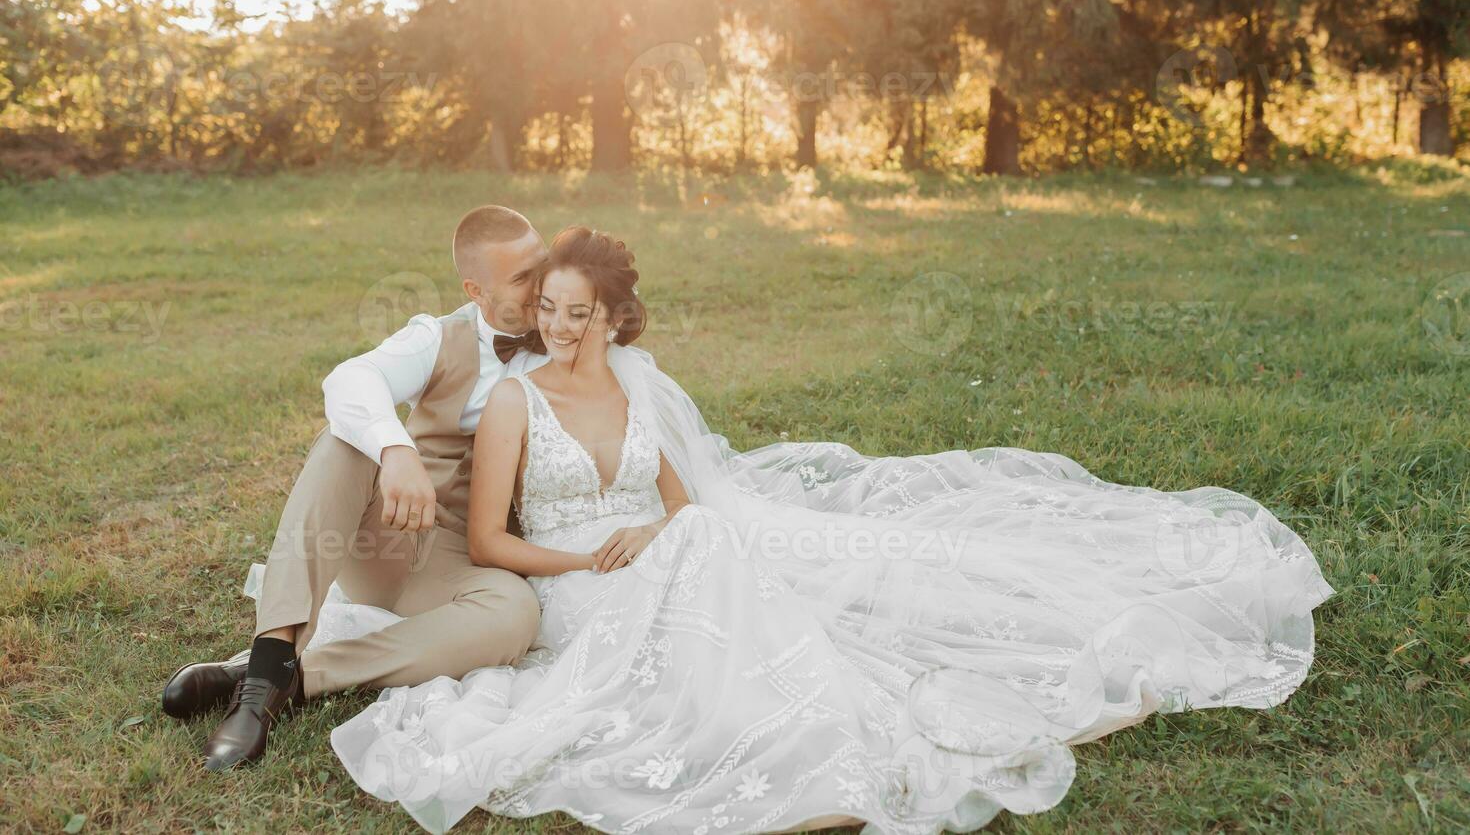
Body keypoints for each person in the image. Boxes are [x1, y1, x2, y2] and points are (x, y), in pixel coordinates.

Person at [304, 225, 1336, 833]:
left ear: (616, 317)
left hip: (669, 555)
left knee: (720, 544)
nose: (563, 328)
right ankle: (794, 731)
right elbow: (490, 541)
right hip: (579, 581)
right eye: (554, 312)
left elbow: (683, 502)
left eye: (583, 312)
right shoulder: (518, 402)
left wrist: (659, 537)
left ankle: (806, 718)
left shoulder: (636, 384)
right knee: (708, 559)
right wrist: (593, 553)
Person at [163, 206, 554, 771]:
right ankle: (273, 654)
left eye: (542, 266)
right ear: (477, 290)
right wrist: (396, 450)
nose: (541, 285)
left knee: (515, 614)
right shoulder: (438, 336)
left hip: (465, 568)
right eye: (522, 277)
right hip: (392, 540)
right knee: (344, 441)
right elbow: (350, 378)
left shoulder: (569, 337)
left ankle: (277, 683)